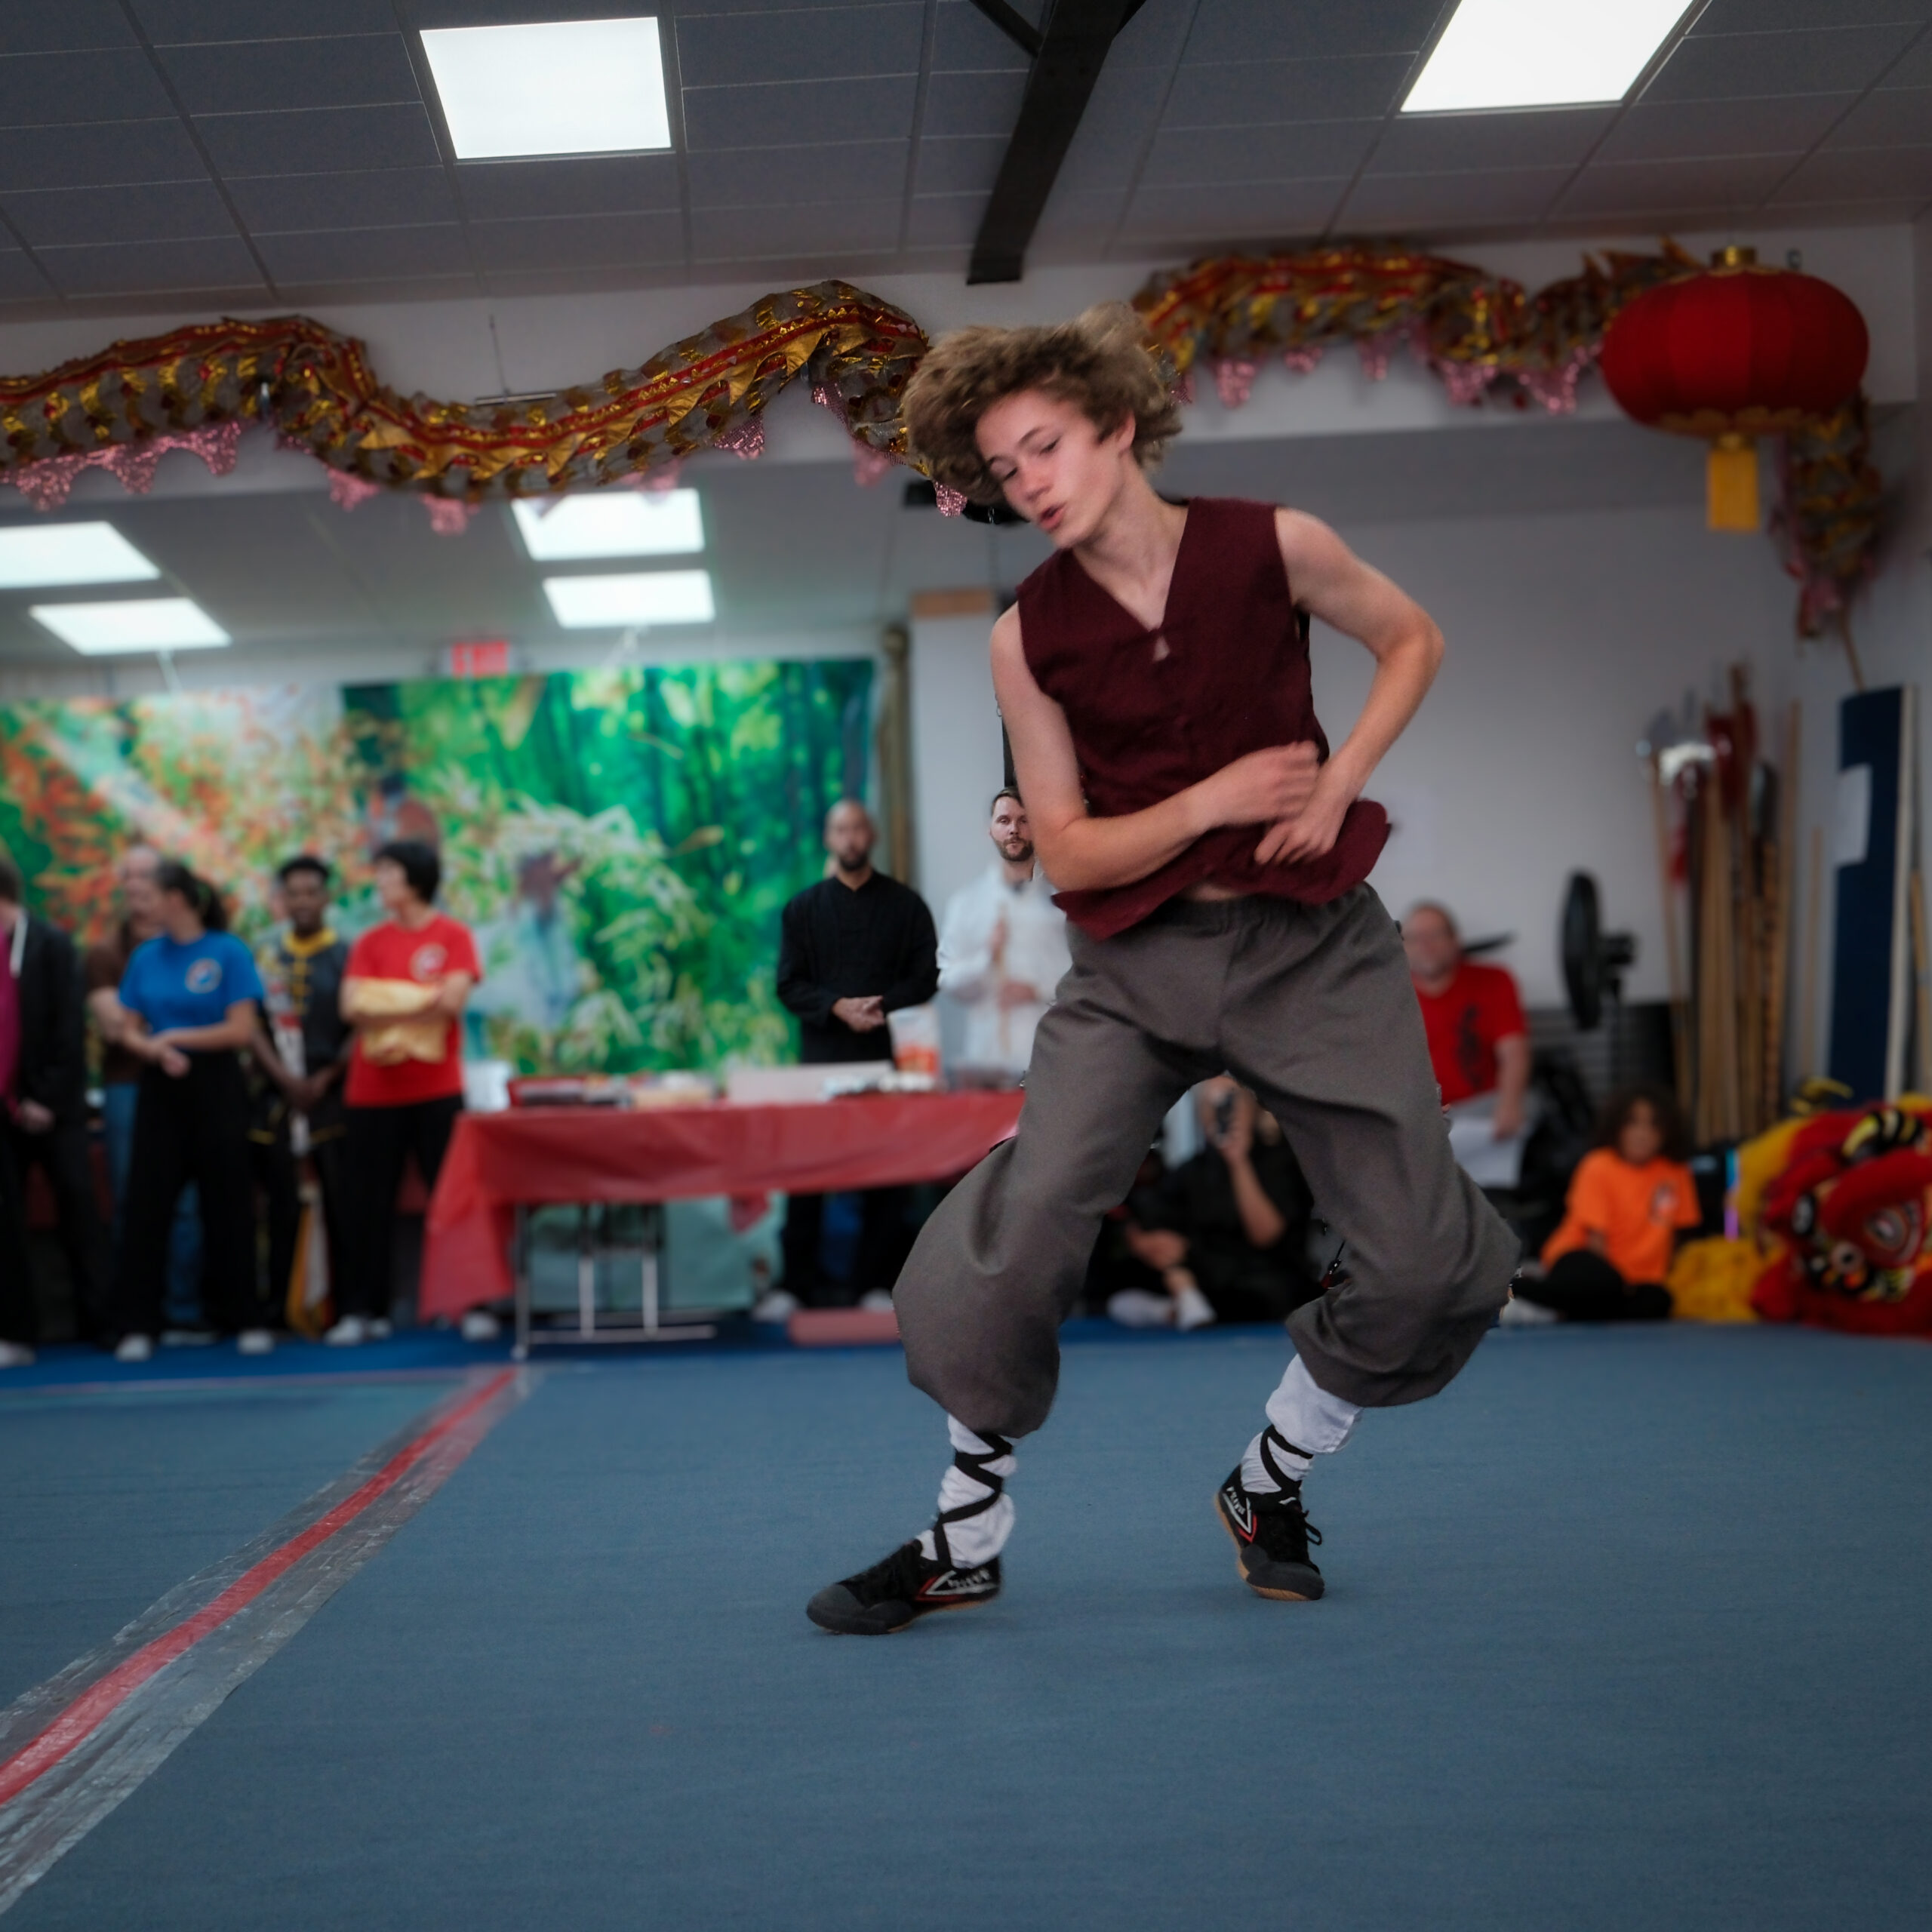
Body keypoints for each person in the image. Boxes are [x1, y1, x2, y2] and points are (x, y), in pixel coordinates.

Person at [804, 304, 1517, 1636]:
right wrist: (1215, 801)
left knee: (1425, 1261)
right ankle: (964, 1537)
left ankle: (1272, 1477)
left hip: (1314, 945)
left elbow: (1411, 637)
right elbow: (1070, 852)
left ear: (1117, 423)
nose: (1030, 483)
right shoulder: (1025, 637)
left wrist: (1339, 783)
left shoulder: (1274, 544)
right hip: (1136, 962)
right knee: (1015, 1240)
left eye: (1046, 446)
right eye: (1003, 470)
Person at [770, 800, 939, 1317]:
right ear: (828, 838)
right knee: (806, 1175)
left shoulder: (907, 906)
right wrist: (837, 1007)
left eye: (858, 829)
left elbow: (926, 977)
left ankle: (876, 1284)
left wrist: (880, 1006)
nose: (850, 839)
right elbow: (788, 985)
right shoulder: (802, 909)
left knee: (885, 1176)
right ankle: (796, 1287)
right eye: (840, 830)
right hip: (820, 1062)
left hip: (884, 1061)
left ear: (873, 835)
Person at [111, 863, 274, 1362]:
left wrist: (176, 1037)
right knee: (146, 1206)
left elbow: (241, 1030)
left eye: (149, 895)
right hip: (161, 1086)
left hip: (217, 1085)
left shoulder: (228, 951)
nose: (141, 906)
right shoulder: (145, 956)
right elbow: (127, 1029)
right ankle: (138, 1324)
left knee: (228, 1203)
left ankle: (245, 1318)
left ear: (176, 899)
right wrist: (154, 1049)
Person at [328, 839, 479, 1346]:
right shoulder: (370, 942)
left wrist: (386, 1002)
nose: (381, 882)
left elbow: (452, 1001)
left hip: (437, 1086)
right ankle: (361, 1310)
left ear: (416, 879)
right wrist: (421, 1003)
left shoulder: (453, 935)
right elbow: (352, 1007)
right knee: (365, 1204)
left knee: (453, 1197)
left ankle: (467, 1303)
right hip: (372, 1091)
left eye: (389, 872)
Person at [87, 844, 205, 1334]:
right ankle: (136, 1314)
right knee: (133, 1199)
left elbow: (224, 1014)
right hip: (130, 1086)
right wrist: (170, 1031)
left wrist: (161, 1024)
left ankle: (184, 1309)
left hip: (190, 1085)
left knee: (188, 1204)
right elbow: (117, 1027)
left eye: (146, 876)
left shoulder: (204, 946)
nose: (136, 886)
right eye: (128, 877)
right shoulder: (107, 952)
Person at [1106, 1078, 1320, 1333]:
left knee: (1266, 1295)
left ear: (1251, 1108)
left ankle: (1180, 1308)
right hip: (1206, 1275)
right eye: (1212, 1105)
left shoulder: (1281, 1161)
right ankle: (1183, 1302)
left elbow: (1266, 1235)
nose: (1222, 1113)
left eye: (1229, 1102)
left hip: (1266, 1280)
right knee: (1123, 1297)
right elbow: (1149, 1212)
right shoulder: (1191, 1170)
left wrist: (1238, 1161)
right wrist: (1145, 1242)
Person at [0, 860, 106, 1361]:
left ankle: (102, 1323)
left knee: (78, 1204)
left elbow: (69, 1029)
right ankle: (17, 1332)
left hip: (56, 1105)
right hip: (5, 1108)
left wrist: (44, 1097)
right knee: (7, 1220)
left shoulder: (51, 943)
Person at [250, 856, 353, 1323]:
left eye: (312, 893)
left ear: (326, 897)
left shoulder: (347, 954)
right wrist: (284, 1079)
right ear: (282, 899)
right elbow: (250, 1025)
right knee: (278, 1204)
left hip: (333, 1096)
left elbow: (360, 1026)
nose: (303, 902)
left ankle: (346, 1308)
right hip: (277, 1097)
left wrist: (326, 1077)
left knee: (342, 1202)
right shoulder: (265, 956)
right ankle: (276, 1309)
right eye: (294, 894)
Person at [1507, 1085, 1697, 1324]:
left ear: (1667, 1131)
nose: (1643, 1133)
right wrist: (1615, 1282)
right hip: (1583, 1258)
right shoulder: (1598, 1165)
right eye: (1633, 1123)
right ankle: (1514, 1287)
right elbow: (1596, 1239)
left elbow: (1676, 1238)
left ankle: (1565, 1309)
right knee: (1603, 1282)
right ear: (1617, 1127)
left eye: (1654, 1125)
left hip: (1635, 1280)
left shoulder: (1676, 1172)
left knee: (1659, 1300)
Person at [937, 788, 1071, 1085]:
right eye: (1004, 820)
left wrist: (1037, 991)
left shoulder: (1062, 905)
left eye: (1024, 820)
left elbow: (1083, 980)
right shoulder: (966, 904)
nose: (1014, 829)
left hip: (1050, 1060)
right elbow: (948, 981)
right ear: (991, 830)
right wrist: (986, 956)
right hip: (988, 1063)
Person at [1403, 903, 1531, 1140]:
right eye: (1415, 938)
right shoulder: (1388, 995)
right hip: (1420, 1118)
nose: (1425, 946)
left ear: (1455, 940)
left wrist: (1510, 1102)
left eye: (1435, 935)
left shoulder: (1494, 981)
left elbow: (1513, 1052)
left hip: (1484, 1112)